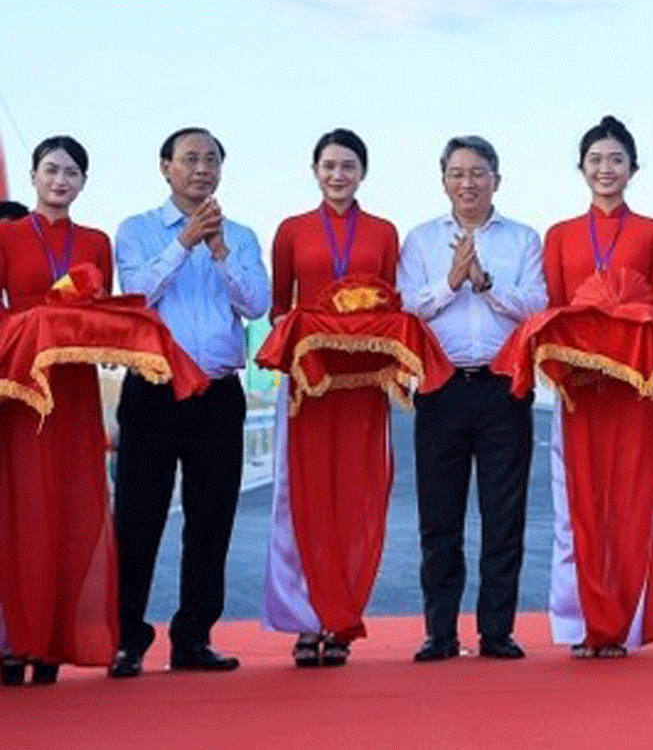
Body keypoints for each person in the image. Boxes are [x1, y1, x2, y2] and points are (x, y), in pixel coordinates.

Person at [111, 127, 271, 677]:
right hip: (153, 389)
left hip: (218, 393)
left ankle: (194, 637)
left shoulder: (243, 235)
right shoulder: (136, 231)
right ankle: (125, 637)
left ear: (222, 170)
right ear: (165, 168)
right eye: (190, 159)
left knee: (211, 520)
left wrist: (220, 250)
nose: (201, 169)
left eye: (211, 160)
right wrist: (183, 244)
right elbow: (136, 297)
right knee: (138, 517)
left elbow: (257, 305)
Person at [397, 135, 547, 662]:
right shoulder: (418, 241)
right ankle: (440, 632)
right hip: (440, 389)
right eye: (457, 173)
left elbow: (536, 305)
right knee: (440, 518)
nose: (468, 183)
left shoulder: (524, 239)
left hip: (503, 390)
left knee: (504, 516)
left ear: (496, 180)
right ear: (443, 181)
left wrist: (483, 283)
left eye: (478, 173)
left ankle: (497, 631)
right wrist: (450, 282)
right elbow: (407, 308)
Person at [261, 129, 401, 666]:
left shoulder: (384, 232)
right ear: (314, 170)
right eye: (329, 166)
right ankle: (303, 618)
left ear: (363, 172)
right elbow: (278, 310)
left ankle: (341, 618)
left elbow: (393, 304)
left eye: (348, 166)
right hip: (310, 386)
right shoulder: (292, 231)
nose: (338, 175)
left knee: (358, 498)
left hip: (363, 386)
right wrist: (319, 331)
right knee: (304, 499)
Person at [542, 115, 653, 658]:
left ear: (633, 169)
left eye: (616, 159)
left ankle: (625, 621)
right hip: (578, 390)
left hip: (633, 389)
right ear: (581, 168)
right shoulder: (560, 235)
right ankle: (580, 623)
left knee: (631, 502)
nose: (606, 169)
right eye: (596, 160)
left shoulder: (652, 232)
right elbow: (554, 313)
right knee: (576, 504)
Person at [0, 136, 116, 685]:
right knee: (23, 509)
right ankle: (15, 638)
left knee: (72, 508)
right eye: (51, 170)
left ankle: (55, 642)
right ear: (32, 176)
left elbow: (101, 319)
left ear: (83, 182)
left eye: (72, 172)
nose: (61, 180)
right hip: (24, 390)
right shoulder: (6, 236)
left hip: (75, 390)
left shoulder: (95, 241)